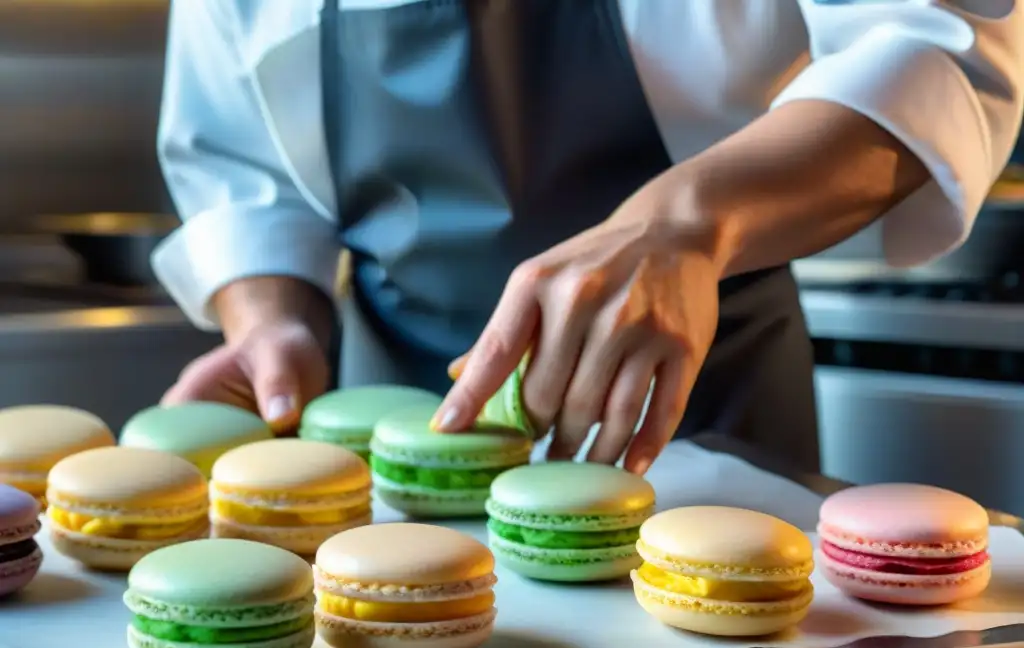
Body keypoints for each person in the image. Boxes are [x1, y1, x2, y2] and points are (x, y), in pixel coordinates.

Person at [154, 0, 1023, 476]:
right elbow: (243, 166)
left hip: (704, 428)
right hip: (391, 449)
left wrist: (685, 222)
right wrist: (274, 324)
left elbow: (938, 46)